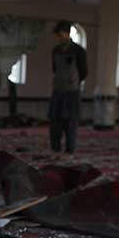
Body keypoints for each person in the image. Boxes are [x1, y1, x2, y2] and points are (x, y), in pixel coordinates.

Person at [48, 20, 88, 154]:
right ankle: (55, 147)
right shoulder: (56, 51)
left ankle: (70, 149)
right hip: (58, 90)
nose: (59, 38)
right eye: (57, 36)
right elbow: (54, 69)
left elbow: (84, 71)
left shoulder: (78, 51)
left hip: (72, 92)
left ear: (67, 33)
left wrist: (73, 81)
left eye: (60, 35)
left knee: (71, 121)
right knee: (55, 120)